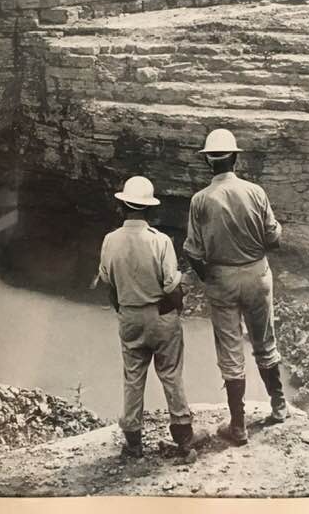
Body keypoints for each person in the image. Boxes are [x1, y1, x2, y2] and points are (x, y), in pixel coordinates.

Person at [183, 129, 288, 446]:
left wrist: (208, 277)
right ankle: (279, 405)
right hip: (257, 275)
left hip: (222, 279)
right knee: (265, 342)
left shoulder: (200, 201)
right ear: (235, 157)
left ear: (208, 163)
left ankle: (238, 426)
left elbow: (192, 251)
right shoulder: (255, 192)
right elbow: (274, 240)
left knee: (230, 355)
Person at [96, 176, 195, 460]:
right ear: (149, 210)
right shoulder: (161, 241)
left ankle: (133, 445)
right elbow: (170, 285)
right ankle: (184, 441)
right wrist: (176, 311)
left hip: (129, 315)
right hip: (160, 316)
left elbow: (108, 284)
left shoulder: (109, 241)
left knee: (133, 378)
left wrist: (125, 310)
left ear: (123, 206)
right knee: (171, 376)